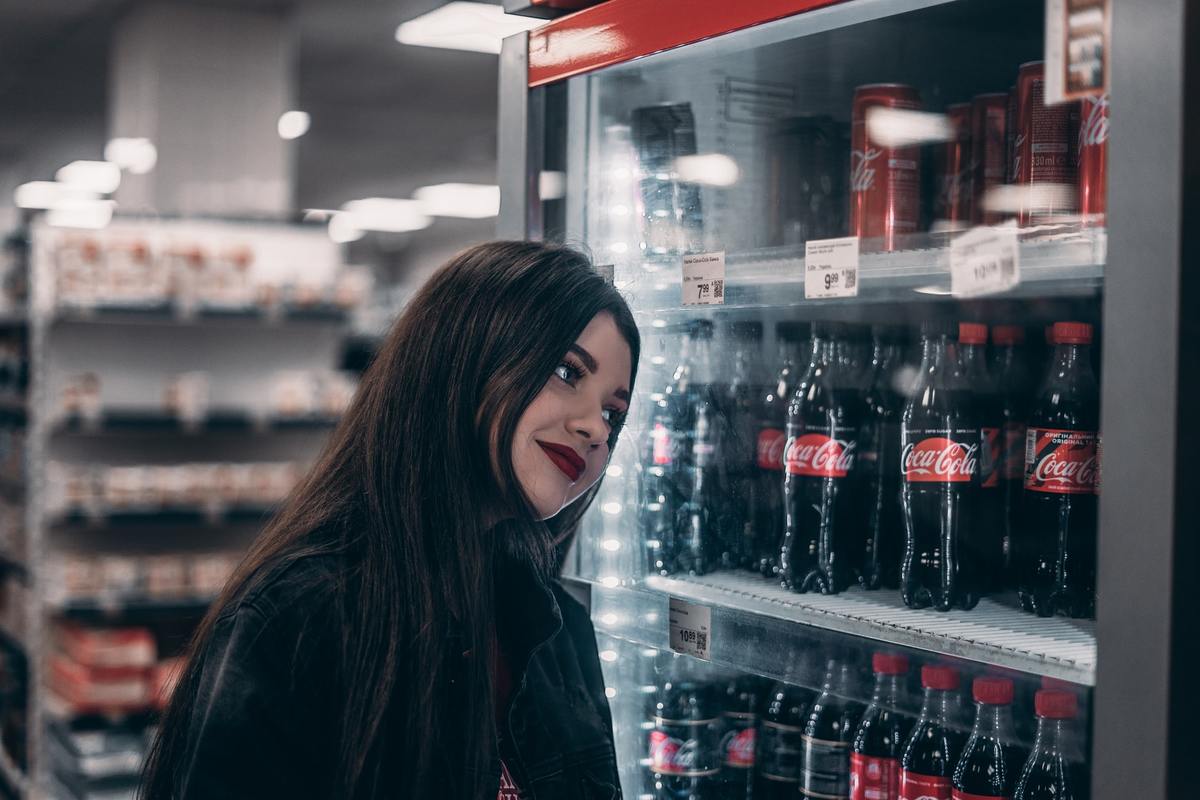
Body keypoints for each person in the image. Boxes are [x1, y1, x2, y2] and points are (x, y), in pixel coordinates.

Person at [140, 241, 640, 799]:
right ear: (463, 359)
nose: (595, 428)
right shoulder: (302, 617)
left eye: (613, 413)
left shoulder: (560, 632)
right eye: (567, 371)